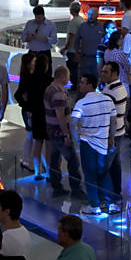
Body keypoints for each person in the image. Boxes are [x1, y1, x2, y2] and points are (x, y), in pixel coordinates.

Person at [71, 73, 117, 216]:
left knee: (90, 175)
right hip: (103, 143)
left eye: (82, 82)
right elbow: (114, 122)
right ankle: (111, 203)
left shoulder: (81, 103)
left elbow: (72, 124)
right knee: (104, 172)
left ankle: (94, 206)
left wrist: (77, 139)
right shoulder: (108, 100)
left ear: (90, 85)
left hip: (88, 143)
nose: (80, 85)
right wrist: (111, 139)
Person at [44, 66, 86, 200]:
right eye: (67, 76)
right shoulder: (58, 94)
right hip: (59, 133)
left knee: (54, 160)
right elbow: (60, 116)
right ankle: (76, 190)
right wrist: (66, 134)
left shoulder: (50, 89)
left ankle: (57, 187)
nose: (69, 78)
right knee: (73, 161)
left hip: (51, 131)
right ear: (62, 77)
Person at [100, 61, 129, 209]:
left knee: (104, 167)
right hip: (120, 131)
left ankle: (107, 197)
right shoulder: (121, 87)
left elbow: (108, 116)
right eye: (102, 71)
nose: (102, 74)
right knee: (115, 165)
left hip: (112, 134)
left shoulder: (110, 92)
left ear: (114, 73)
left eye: (106, 72)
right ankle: (116, 194)